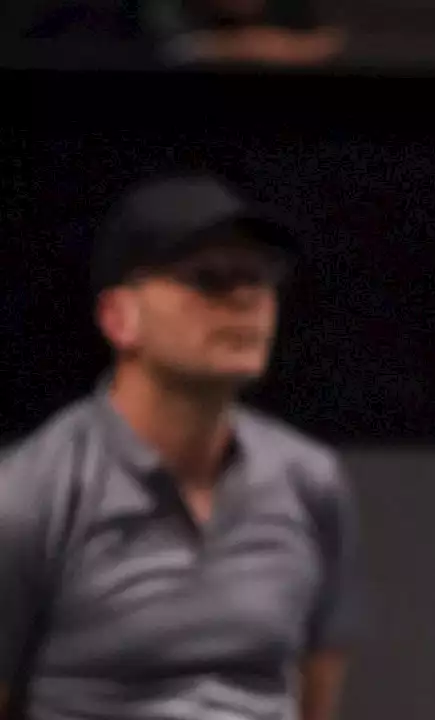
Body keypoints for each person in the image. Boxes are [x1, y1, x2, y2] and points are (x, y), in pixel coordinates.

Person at [0, 173, 359, 720]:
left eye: (260, 278)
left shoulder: (310, 480)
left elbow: (318, 692)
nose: (246, 299)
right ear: (119, 317)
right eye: (209, 279)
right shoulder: (28, 495)